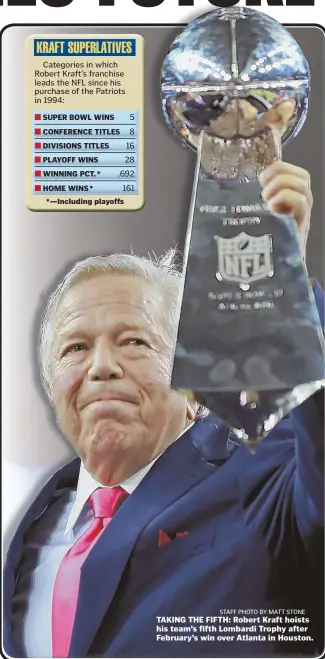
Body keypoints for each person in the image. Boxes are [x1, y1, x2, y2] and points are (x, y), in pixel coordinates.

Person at [3, 122, 324, 658]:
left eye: (133, 342)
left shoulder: (262, 477)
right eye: (75, 349)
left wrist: (284, 297)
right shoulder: (29, 525)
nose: (101, 367)